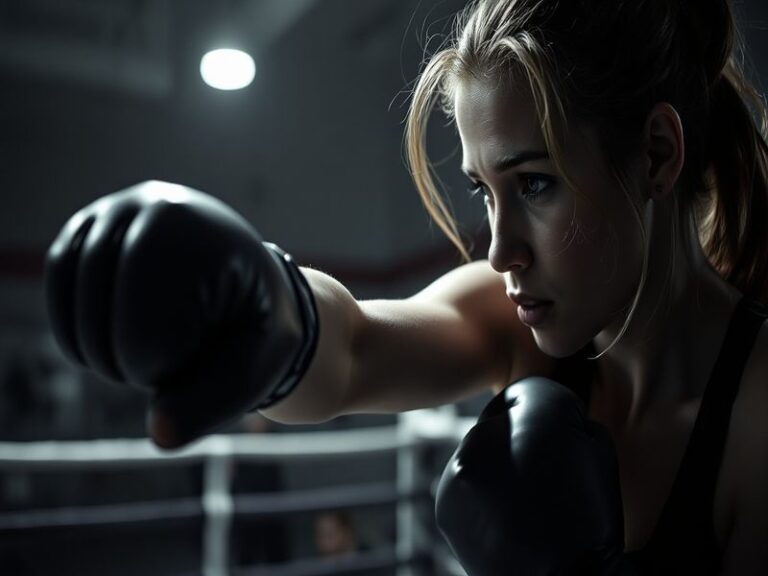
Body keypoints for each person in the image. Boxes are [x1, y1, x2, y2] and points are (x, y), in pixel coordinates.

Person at [43, 0, 768, 574]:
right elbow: (354, 348)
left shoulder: (755, 416)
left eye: (536, 185)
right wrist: (270, 302)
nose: (499, 247)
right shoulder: (519, 319)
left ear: (656, 155)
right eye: (484, 192)